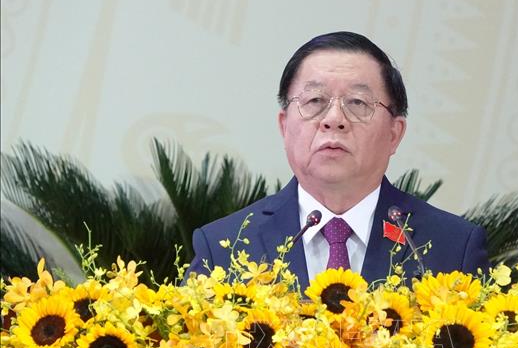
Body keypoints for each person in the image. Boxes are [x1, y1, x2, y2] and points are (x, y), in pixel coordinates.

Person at [186, 31, 490, 290]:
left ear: (394, 134)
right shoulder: (224, 246)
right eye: (315, 101)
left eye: (358, 103)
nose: (334, 119)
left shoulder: (453, 248)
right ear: (284, 126)